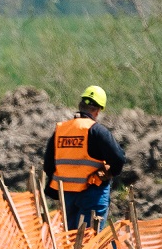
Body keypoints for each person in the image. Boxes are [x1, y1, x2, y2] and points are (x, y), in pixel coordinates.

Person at [44, 84, 126, 231]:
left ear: (80, 105)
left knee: (70, 238)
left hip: (67, 194)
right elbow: (118, 158)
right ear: (97, 110)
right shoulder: (96, 131)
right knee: (88, 241)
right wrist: (105, 173)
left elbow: (48, 165)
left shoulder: (61, 130)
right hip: (92, 193)